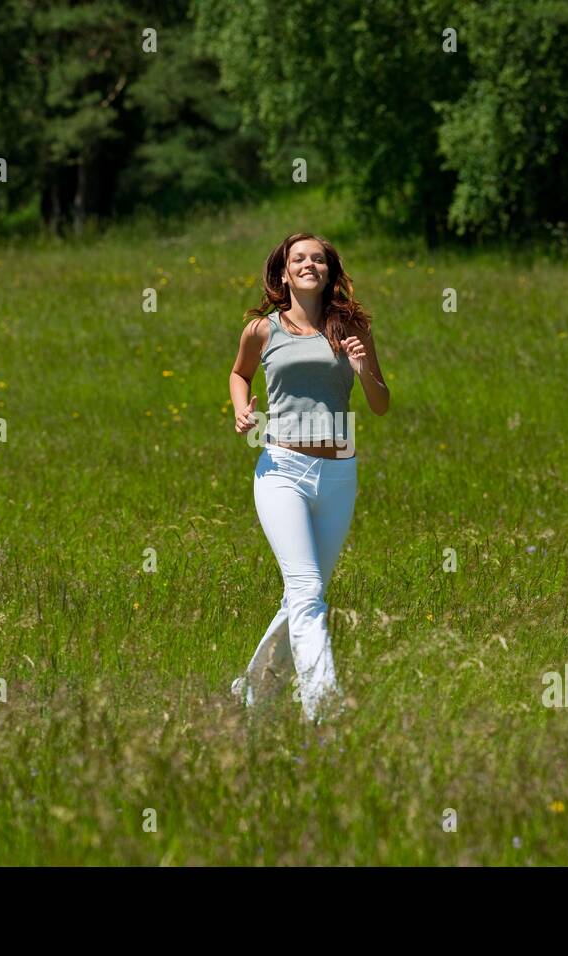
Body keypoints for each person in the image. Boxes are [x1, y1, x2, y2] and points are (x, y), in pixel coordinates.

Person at [227, 232, 390, 722]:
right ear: (283, 272)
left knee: (304, 594)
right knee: (306, 590)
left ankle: (250, 691)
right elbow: (240, 375)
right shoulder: (261, 330)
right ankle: (325, 710)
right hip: (281, 469)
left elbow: (381, 405)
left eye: (318, 259)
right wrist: (241, 412)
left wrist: (363, 370)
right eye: (299, 259)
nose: (309, 265)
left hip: (339, 473)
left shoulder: (352, 327)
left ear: (329, 272)